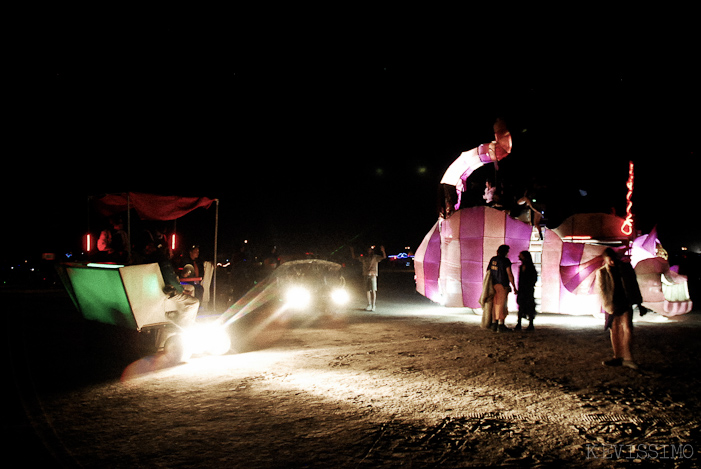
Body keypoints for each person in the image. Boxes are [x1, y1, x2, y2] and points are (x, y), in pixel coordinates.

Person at [596, 248, 644, 370]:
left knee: (627, 329)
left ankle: (627, 358)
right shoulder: (602, 272)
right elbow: (602, 291)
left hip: (624, 302)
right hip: (612, 304)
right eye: (609, 260)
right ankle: (618, 357)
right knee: (615, 330)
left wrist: (638, 302)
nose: (612, 262)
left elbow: (633, 285)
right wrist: (608, 307)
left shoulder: (625, 268)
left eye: (612, 259)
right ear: (605, 260)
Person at [487, 244, 517, 332]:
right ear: (505, 252)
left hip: (493, 285)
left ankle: (494, 323)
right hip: (503, 285)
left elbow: (489, 272)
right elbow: (509, 274)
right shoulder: (505, 261)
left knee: (494, 304)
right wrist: (514, 286)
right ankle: (501, 324)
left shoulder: (493, 259)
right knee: (502, 305)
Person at [351, 245, 387, 311]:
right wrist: (352, 250)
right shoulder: (364, 258)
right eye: (368, 249)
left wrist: (383, 251)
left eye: (370, 249)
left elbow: (384, 257)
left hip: (373, 275)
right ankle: (369, 304)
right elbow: (354, 257)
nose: (369, 251)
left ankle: (373, 305)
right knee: (367, 290)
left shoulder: (375, 257)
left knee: (373, 290)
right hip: (366, 274)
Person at [516, 251, 537, 331]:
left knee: (526, 306)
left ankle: (524, 324)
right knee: (524, 306)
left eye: (520, 256)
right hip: (525, 290)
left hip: (527, 290)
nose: (519, 257)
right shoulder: (527, 267)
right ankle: (524, 324)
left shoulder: (529, 267)